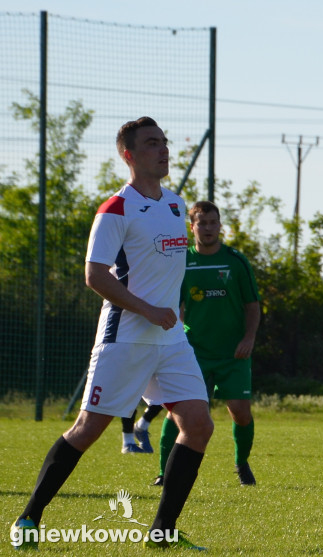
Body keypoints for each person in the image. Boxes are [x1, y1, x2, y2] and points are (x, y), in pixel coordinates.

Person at [10, 117, 212, 550]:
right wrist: (148, 309)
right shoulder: (115, 209)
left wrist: (172, 308)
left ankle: (162, 531)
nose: (163, 149)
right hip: (126, 337)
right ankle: (28, 518)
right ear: (129, 154)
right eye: (152, 143)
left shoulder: (176, 205)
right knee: (87, 429)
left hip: (171, 340)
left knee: (198, 425)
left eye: (164, 142)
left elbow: (166, 269)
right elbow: (95, 276)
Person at [153, 201, 261, 487]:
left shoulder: (236, 261)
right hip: (193, 351)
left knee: (240, 412)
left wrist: (249, 338)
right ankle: (164, 472)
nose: (209, 228)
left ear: (220, 225)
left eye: (213, 222)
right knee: (177, 411)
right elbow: (173, 304)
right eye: (202, 223)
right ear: (192, 227)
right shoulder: (181, 261)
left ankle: (241, 464)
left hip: (233, 353)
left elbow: (252, 305)